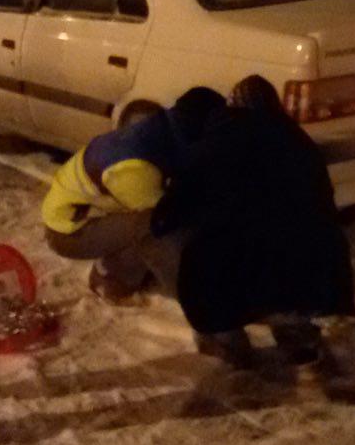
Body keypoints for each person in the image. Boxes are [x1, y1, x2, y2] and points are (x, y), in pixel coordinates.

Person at [156, 76, 355, 367]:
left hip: (239, 261)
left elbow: (174, 209)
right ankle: (294, 326)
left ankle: (225, 336)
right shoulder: (299, 141)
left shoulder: (215, 143)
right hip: (312, 263)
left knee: (193, 248)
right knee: (288, 245)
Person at [41, 88, 223, 302]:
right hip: (67, 233)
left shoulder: (162, 130)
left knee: (156, 219)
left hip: (92, 216)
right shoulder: (135, 166)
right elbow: (163, 222)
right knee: (151, 226)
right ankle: (110, 280)